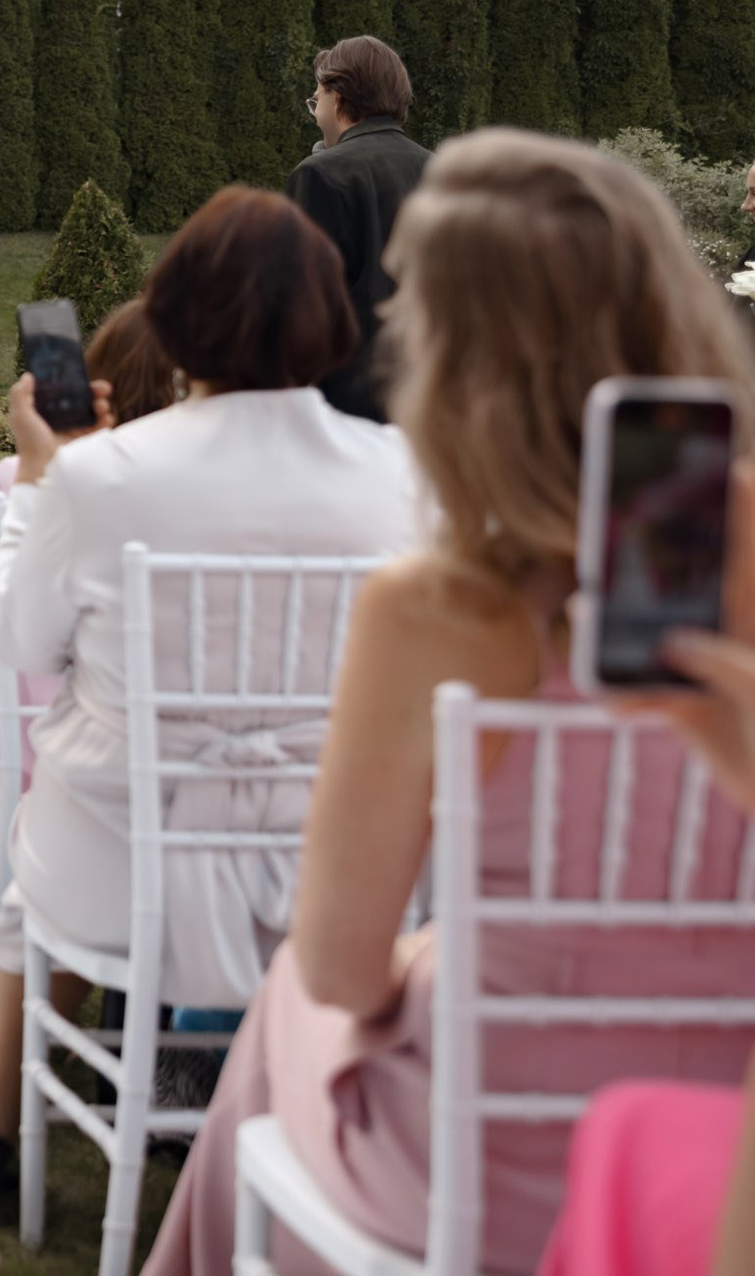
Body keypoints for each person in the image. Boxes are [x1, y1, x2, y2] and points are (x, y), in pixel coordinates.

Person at [144, 131, 755, 1276]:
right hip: (726, 1153)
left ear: (453, 363)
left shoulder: (432, 610)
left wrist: (435, 960)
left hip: (490, 1156)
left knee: (289, 996)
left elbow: (340, 966)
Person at [0, 187, 422, 1221]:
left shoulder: (102, 474)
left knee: (42, 849)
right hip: (328, 882)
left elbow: (24, 648)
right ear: (330, 315)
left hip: (117, 870)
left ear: (175, 313)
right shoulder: (399, 476)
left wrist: (36, 482)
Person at [0, 299, 178, 818]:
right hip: (175, 774)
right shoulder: (206, 496)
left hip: (27, 767)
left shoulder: (30, 482)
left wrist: (36, 476)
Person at [286, 36, 430, 422]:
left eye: (317, 100)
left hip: (349, 404)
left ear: (339, 97)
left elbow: (303, 306)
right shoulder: (440, 169)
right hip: (428, 393)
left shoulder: (320, 174)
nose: (316, 114)